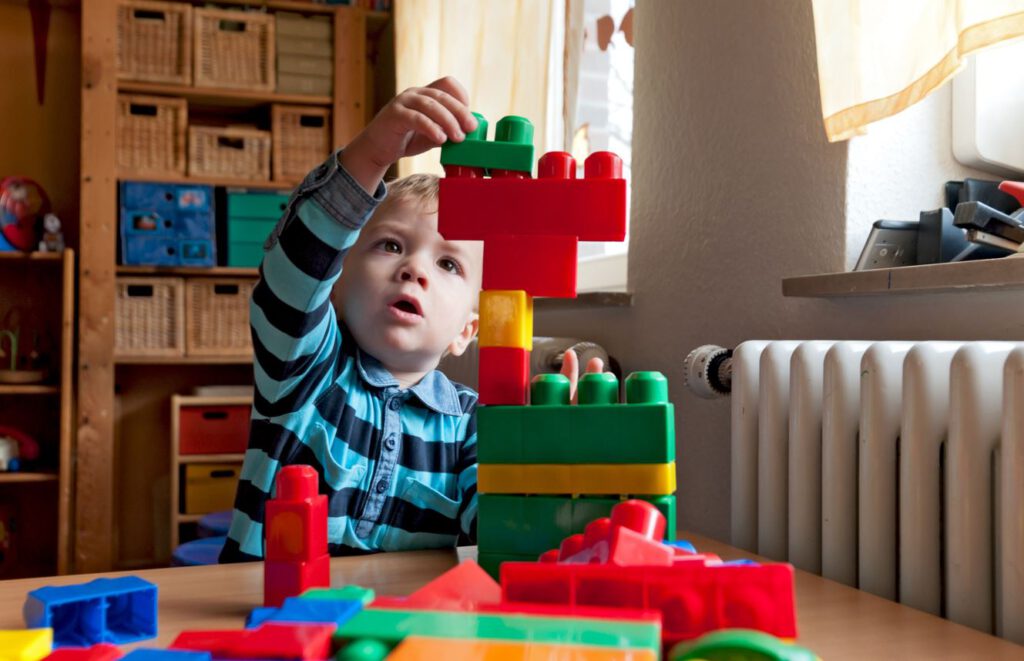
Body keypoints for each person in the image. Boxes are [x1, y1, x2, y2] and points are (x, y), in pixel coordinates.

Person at [220, 77, 600, 562]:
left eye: (448, 264)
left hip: (404, 629)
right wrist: (373, 152)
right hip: (274, 619)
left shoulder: (470, 426)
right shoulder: (305, 367)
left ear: (467, 329)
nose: (413, 268)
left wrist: (548, 455)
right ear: (337, 280)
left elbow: (500, 535)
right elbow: (293, 272)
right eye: (391, 245)